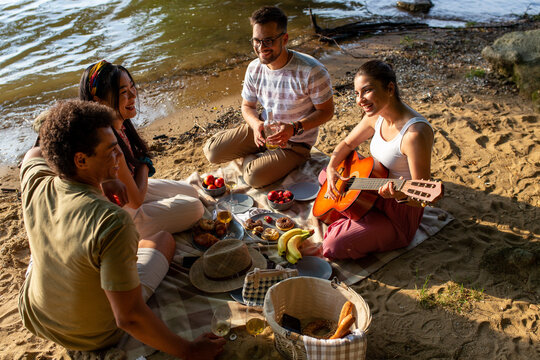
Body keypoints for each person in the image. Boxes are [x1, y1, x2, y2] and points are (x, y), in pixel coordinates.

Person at [18, 99, 225, 358]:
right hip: (90, 333)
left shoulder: (36, 179)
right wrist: (190, 350)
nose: (119, 158)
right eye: (111, 152)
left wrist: (106, 176)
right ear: (81, 159)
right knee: (162, 239)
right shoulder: (112, 220)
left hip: (36, 314)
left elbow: (34, 152)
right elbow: (128, 318)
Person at [203, 6, 334, 188]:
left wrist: (294, 128)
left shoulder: (312, 70)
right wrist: (256, 125)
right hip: (264, 130)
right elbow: (247, 106)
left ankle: (264, 160)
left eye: (268, 41)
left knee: (253, 178)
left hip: (294, 143)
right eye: (256, 41)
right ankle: (260, 156)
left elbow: (327, 112)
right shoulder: (254, 68)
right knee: (212, 152)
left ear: (285, 39)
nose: (261, 47)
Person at [320, 60, 434, 260]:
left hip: (397, 210)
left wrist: (397, 194)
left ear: (390, 88)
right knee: (326, 175)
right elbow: (347, 144)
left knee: (333, 246)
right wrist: (331, 167)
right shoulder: (375, 115)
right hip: (371, 186)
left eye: (367, 91)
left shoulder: (414, 134)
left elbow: (420, 198)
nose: (360, 100)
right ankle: (353, 212)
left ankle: (352, 217)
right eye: (357, 93)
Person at [79, 60, 203, 237]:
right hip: (125, 215)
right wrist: (143, 165)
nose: (132, 95)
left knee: (192, 191)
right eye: (123, 92)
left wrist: (139, 166)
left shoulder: (119, 125)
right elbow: (136, 201)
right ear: (98, 102)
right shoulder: (107, 141)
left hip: (132, 188)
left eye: (132, 87)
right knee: (195, 207)